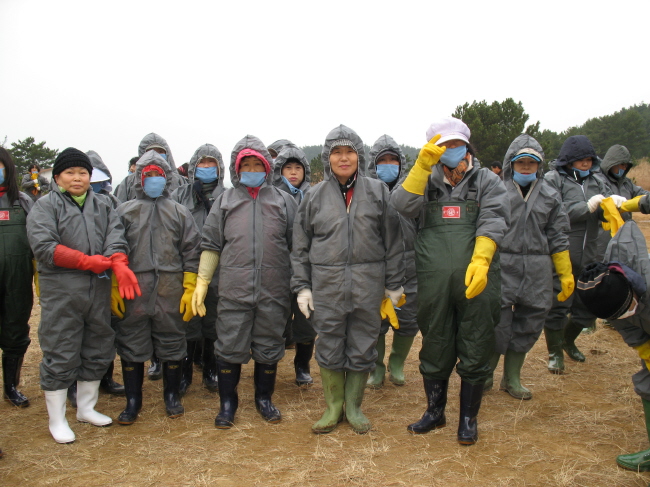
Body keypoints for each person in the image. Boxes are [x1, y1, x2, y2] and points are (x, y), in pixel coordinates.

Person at [391, 117, 509, 445]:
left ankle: (468, 419)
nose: (451, 150)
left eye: (456, 144)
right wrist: (419, 169)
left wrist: (483, 258)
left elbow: (496, 215)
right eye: (444, 145)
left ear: (467, 146)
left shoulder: (486, 180)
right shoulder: (424, 182)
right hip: (433, 281)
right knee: (437, 343)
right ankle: (434, 412)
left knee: (476, 343)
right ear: (433, 149)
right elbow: (400, 205)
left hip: (478, 279)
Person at [292, 125, 404, 434]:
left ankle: (354, 407)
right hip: (326, 285)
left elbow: (393, 241)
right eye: (337, 153)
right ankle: (332, 407)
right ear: (327, 157)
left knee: (364, 343)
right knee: (328, 342)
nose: (344, 158)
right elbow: (300, 246)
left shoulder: (378, 191)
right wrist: (302, 286)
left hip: (369, 283)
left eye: (349, 152)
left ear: (359, 156)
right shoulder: (313, 196)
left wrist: (393, 284)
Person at [27, 148, 140, 444]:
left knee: (98, 344)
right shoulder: (45, 206)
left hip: (98, 289)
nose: (77, 178)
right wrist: (84, 261)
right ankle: (57, 417)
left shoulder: (103, 205)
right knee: (61, 347)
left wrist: (119, 261)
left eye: (83, 173)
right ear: (57, 176)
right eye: (70, 173)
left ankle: (86, 408)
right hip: (63, 290)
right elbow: (44, 246)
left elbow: (116, 235)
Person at [192, 136, 297, 429]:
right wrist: (202, 282)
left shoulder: (283, 201)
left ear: (267, 166)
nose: (251, 169)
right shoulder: (225, 201)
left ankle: (264, 399)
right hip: (234, 289)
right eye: (246, 164)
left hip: (273, 289)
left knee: (269, 343)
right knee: (229, 345)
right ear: (237, 169)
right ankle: (228, 404)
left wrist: (299, 284)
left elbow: (296, 246)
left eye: (257, 164)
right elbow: (211, 243)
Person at [113, 151, 201, 424]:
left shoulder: (179, 211)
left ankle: (171, 395)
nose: (153, 179)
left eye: (158, 175)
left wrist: (189, 285)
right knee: (131, 341)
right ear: (138, 178)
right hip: (134, 287)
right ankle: (133, 400)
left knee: (173, 340)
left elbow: (192, 250)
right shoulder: (125, 211)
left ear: (167, 178)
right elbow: (114, 245)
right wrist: (116, 279)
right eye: (147, 175)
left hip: (170, 286)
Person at [486, 135, 572, 400]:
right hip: (502, 263)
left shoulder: (550, 195)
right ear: (511, 164)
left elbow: (558, 234)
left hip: (537, 267)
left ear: (539, 166)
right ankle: (485, 373)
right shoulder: (497, 191)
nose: (525, 167)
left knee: (530, 320)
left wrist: (565, 270)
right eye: (520, 162)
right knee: (496, 321)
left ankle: (512, 377)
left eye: (531, 163)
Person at [576, 217, 650, 473]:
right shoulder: (609, 295)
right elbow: (628, 327)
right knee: (647, 382)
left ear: (633, 291)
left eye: (629, 309)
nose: (626, 316)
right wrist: (645, 349)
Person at [542, 135, 614, 374]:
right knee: (558, 305)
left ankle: (568, 340)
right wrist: (586, 207)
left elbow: (602, 212)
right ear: (568, 160)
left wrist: (612, 208)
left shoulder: (597, 181)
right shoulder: (554, 180)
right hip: (561, 254)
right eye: (581, 160)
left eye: (589, 159)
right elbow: (554, 211)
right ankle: (554, 353)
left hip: (591, 254)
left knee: (588, 306)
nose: (586, 164)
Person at [171, 144, 226, 394]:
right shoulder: (179, 196)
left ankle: (211, 369)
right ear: (193, 167)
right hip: (187, 268)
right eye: (202, 164)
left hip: (219, 268)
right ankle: (185, 372)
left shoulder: (226, 196)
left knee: (213, 321)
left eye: (211, 163)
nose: (206, 168)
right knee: (187, 321)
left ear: (220, 168)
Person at [365, 135, 418, 389]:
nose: (387, 165)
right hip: (375, 268)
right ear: (373, 165)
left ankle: (397, 363)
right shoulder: (366, 192)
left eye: (392, 160)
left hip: (410, 268)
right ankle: (376, 368)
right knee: (375, 323)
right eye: (382, 160)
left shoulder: (413, 189)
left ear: (401, 164)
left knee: (408, 321)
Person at [271, 145, 316, 386]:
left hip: (307, 268)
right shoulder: (272, 196)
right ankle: (269, 368)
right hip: (277, 268)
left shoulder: (314, 194)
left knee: (306, 322)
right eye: (288, 167)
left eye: (298, 167)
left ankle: (302, 365)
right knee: (275, 320)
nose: (293, 172)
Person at [0, 148, 35, 409]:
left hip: (17, 278)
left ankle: (11, 386)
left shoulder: (22, 201)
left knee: (15, 329)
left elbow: (38, 238)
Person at [593, 145, 650, 259]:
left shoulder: (626, 183)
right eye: (621, 164)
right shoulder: (596, 181)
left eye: (626, 166)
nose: (624, 168)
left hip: (625, 240)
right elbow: (607, 204)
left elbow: (643, 195)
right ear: (612, 162)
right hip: (602, 242)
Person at [114, 133, 188, 203]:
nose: (155, 155)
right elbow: (120, 210)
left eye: (160, 151)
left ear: (167, 154)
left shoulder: (181, 182)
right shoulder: (128, 182)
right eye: (151, 151)